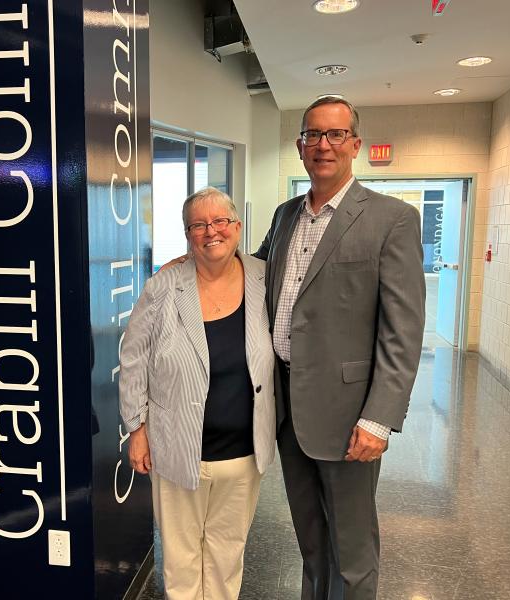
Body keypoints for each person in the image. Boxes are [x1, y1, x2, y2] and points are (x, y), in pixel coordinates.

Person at [254, 97, 425, 599]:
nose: (323, 145)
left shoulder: (392, 219)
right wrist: (195, 258)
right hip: (288, 407)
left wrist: (379, 417)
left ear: (355, 144)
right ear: (300, 146)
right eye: (313, 135)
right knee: (310, 539)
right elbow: (256, 275)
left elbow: (403, 329)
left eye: (335, 135)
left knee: (352, 549)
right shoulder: (287, 215)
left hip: (350, 415)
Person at [119, 187, 276, 600]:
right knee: (182, 557)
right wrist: (136, 428)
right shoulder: (163, 286)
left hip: (244, 452)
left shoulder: (264, 278)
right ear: (188, 234)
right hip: (177, 448)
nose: (212, 232)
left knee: (228, 553)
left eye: (220, 221)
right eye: (199, 225)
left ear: (237, 227)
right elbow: (133, 358)